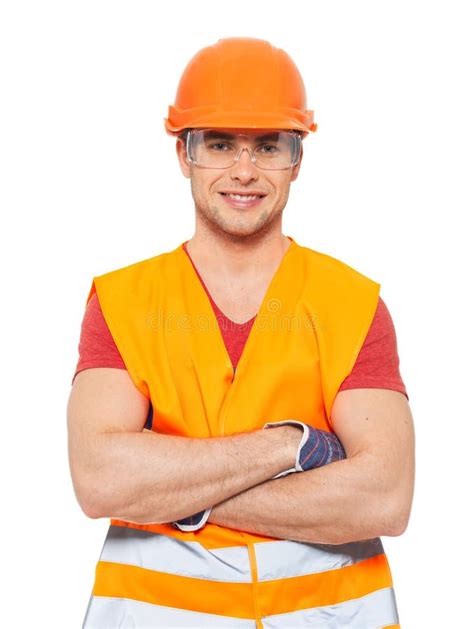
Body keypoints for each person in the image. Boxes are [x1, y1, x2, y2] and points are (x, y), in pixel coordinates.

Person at [67, 37, 415, 628]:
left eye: (268, 146)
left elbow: (384, 497)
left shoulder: (352, 304)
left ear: (297, 158)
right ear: (184, 154)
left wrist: (177, 498)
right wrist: (291, 447)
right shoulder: (123, 302)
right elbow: (100, 480)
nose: (244, 171)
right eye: (220, 144)